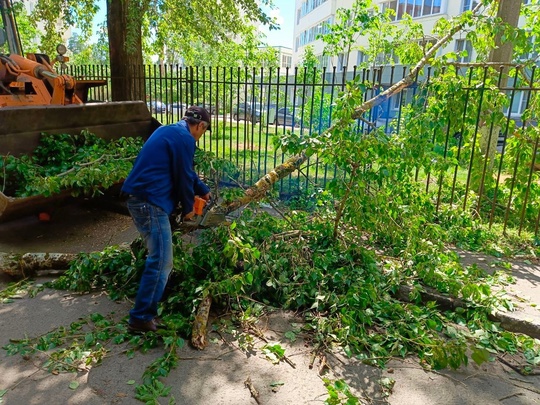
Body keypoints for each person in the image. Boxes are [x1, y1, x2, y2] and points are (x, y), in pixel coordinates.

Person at [121, 106, 212, 333]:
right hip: (149, 202)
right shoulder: (185, 139)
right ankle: (140, 317)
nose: (201, 135)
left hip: (143, 198)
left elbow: (186, 172)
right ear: (200, 126)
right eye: (204, 131)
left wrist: (202, 189)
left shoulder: (169, 131)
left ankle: (145, 307)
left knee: (158, 256)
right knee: (162, 260)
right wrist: (189, 208)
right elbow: (182, 177)